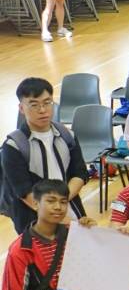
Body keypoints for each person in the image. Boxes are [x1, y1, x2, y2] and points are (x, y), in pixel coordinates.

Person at [1, 78, 88, 234]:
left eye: (47, 103)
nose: (42, 110)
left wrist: (60, 204)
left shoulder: (67, 135)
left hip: (71, 211)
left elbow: (80, 173)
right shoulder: (13, 146)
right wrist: (55, 213)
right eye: (34, 105)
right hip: (33, 220)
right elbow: (23, 190)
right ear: (21, 108)